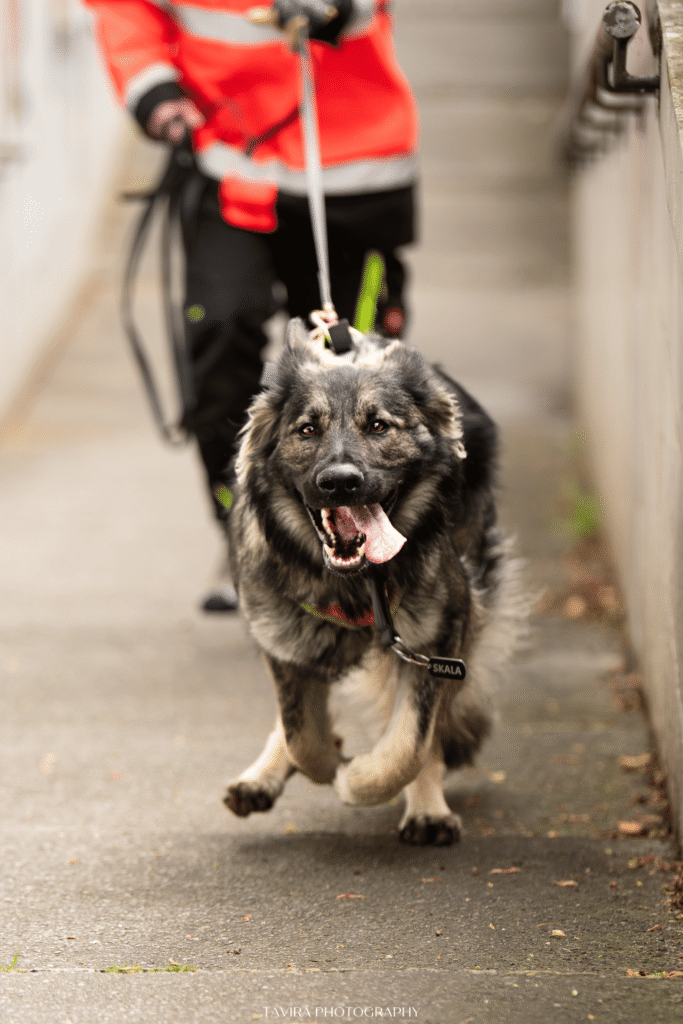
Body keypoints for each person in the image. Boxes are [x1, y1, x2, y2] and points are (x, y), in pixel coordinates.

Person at [83, 0, 419, 610]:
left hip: (350, 165)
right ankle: (250, 537)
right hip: (230, 158)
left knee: (356, 374)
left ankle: (361, 549)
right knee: (218, 334)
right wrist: (154, 87)